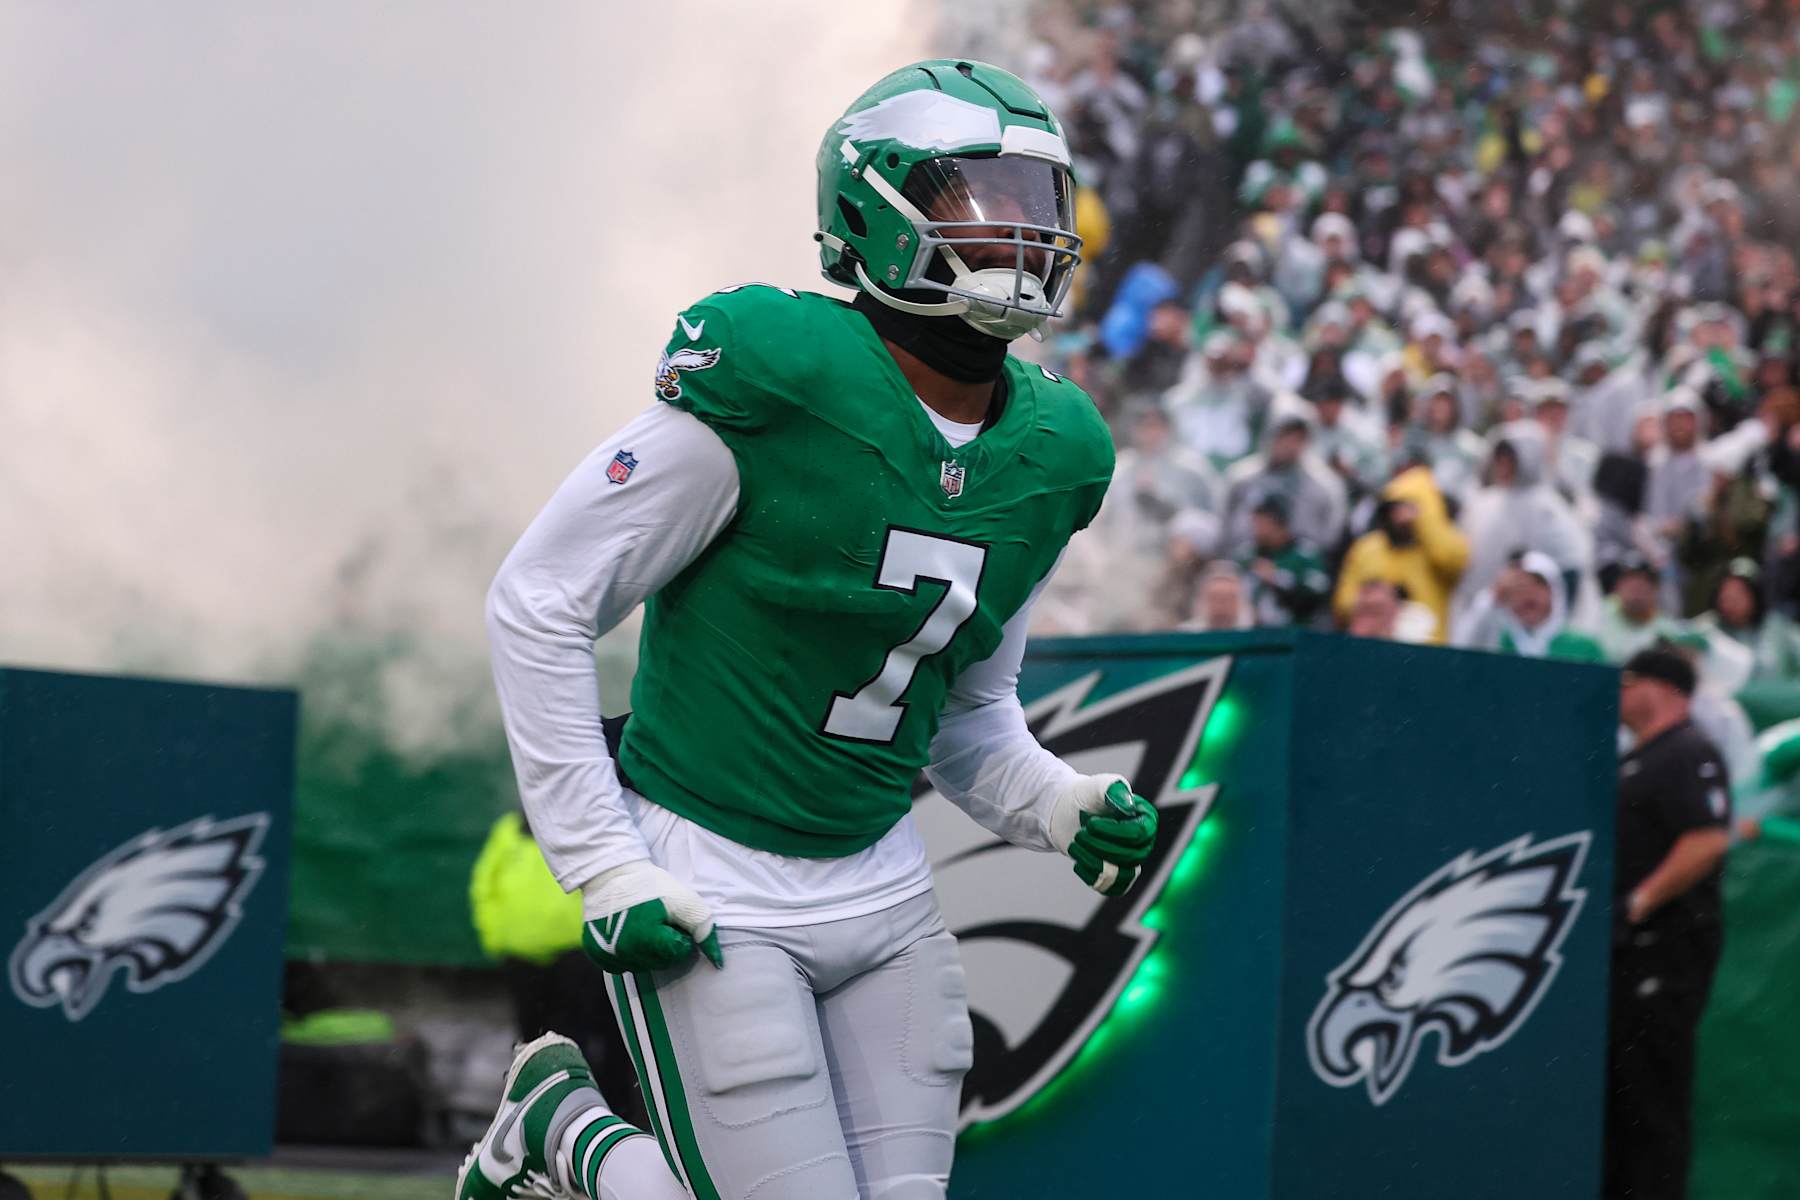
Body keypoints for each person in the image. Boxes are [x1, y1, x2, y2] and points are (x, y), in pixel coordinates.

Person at [464, 61, 1161, 1200]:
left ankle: (557, 1130)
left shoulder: (1055, 452)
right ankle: (564, 1137)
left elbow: (968, 719)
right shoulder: (777, 382)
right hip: (712, 863)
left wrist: (1057, 801)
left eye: (1038, 205)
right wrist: (602, 866)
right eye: (976, 199)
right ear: (867, 214)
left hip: (881, 875)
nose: (1022, 236)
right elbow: (539, 601)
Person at [1607, 645, 1732, 1200]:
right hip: (1626, 960)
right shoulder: (1639, 756)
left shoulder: (1685, 751)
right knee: (1623, 1107)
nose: (1620, 692)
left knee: (1652, 1107)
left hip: (1661, 956)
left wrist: (1640, 901)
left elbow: (1706, 839)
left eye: (1627, 681)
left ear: (1659, 687)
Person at [1332, 465, 1469, 642]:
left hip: (1426, 650)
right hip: (1372, 646)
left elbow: (1453, 561)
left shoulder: (1440, 547)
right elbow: (1342, 602)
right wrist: (1375, 603)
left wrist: (1425, 518)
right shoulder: (1367, 547)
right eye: (1395, 509)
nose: (1400, 518)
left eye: (1407, 508)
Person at [1455, 551, 1605, 662]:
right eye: (1518, 586)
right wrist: (1492, 597)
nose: (1527, 593)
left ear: (1555, 592)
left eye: (1537, 584)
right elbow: (1461, 651)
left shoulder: (1584, 648)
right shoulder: (1495, 642)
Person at [1238, 494, 1331, 627]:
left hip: (1296, 636)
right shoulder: (1246, 554)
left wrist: (1277, 580)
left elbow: (1316, 600)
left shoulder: (1305, 554)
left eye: (1261, 519)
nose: (1255, 525)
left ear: (1278, 521)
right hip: (1251, 637)